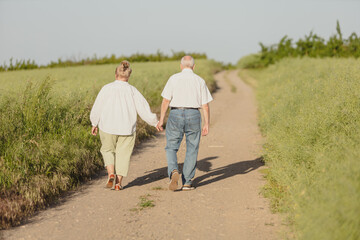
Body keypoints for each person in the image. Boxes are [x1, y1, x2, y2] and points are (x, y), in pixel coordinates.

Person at [90, 61, 158, 190]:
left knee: (107, 150)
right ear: (128, 76)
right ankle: (118, 183)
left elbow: (97, 106)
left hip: (107, 126)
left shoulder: (106, 88)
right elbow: (143, 108)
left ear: (116, 74)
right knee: (123, 155)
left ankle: (110, 174)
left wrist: (94, 123)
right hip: (127, 128)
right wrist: (154, 122)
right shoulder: (133, 90)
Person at [156, 56, 213, 191]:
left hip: (175, 113)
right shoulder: (200, 80)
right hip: (194, 114)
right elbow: (205, 105)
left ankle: (173, 171)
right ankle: (187, 182)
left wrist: (161, 119)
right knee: (192, 148)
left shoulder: (173, 78)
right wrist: (207, 124)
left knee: (171, 147)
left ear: (181, 66)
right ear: (194, 67)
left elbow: (165, 101)